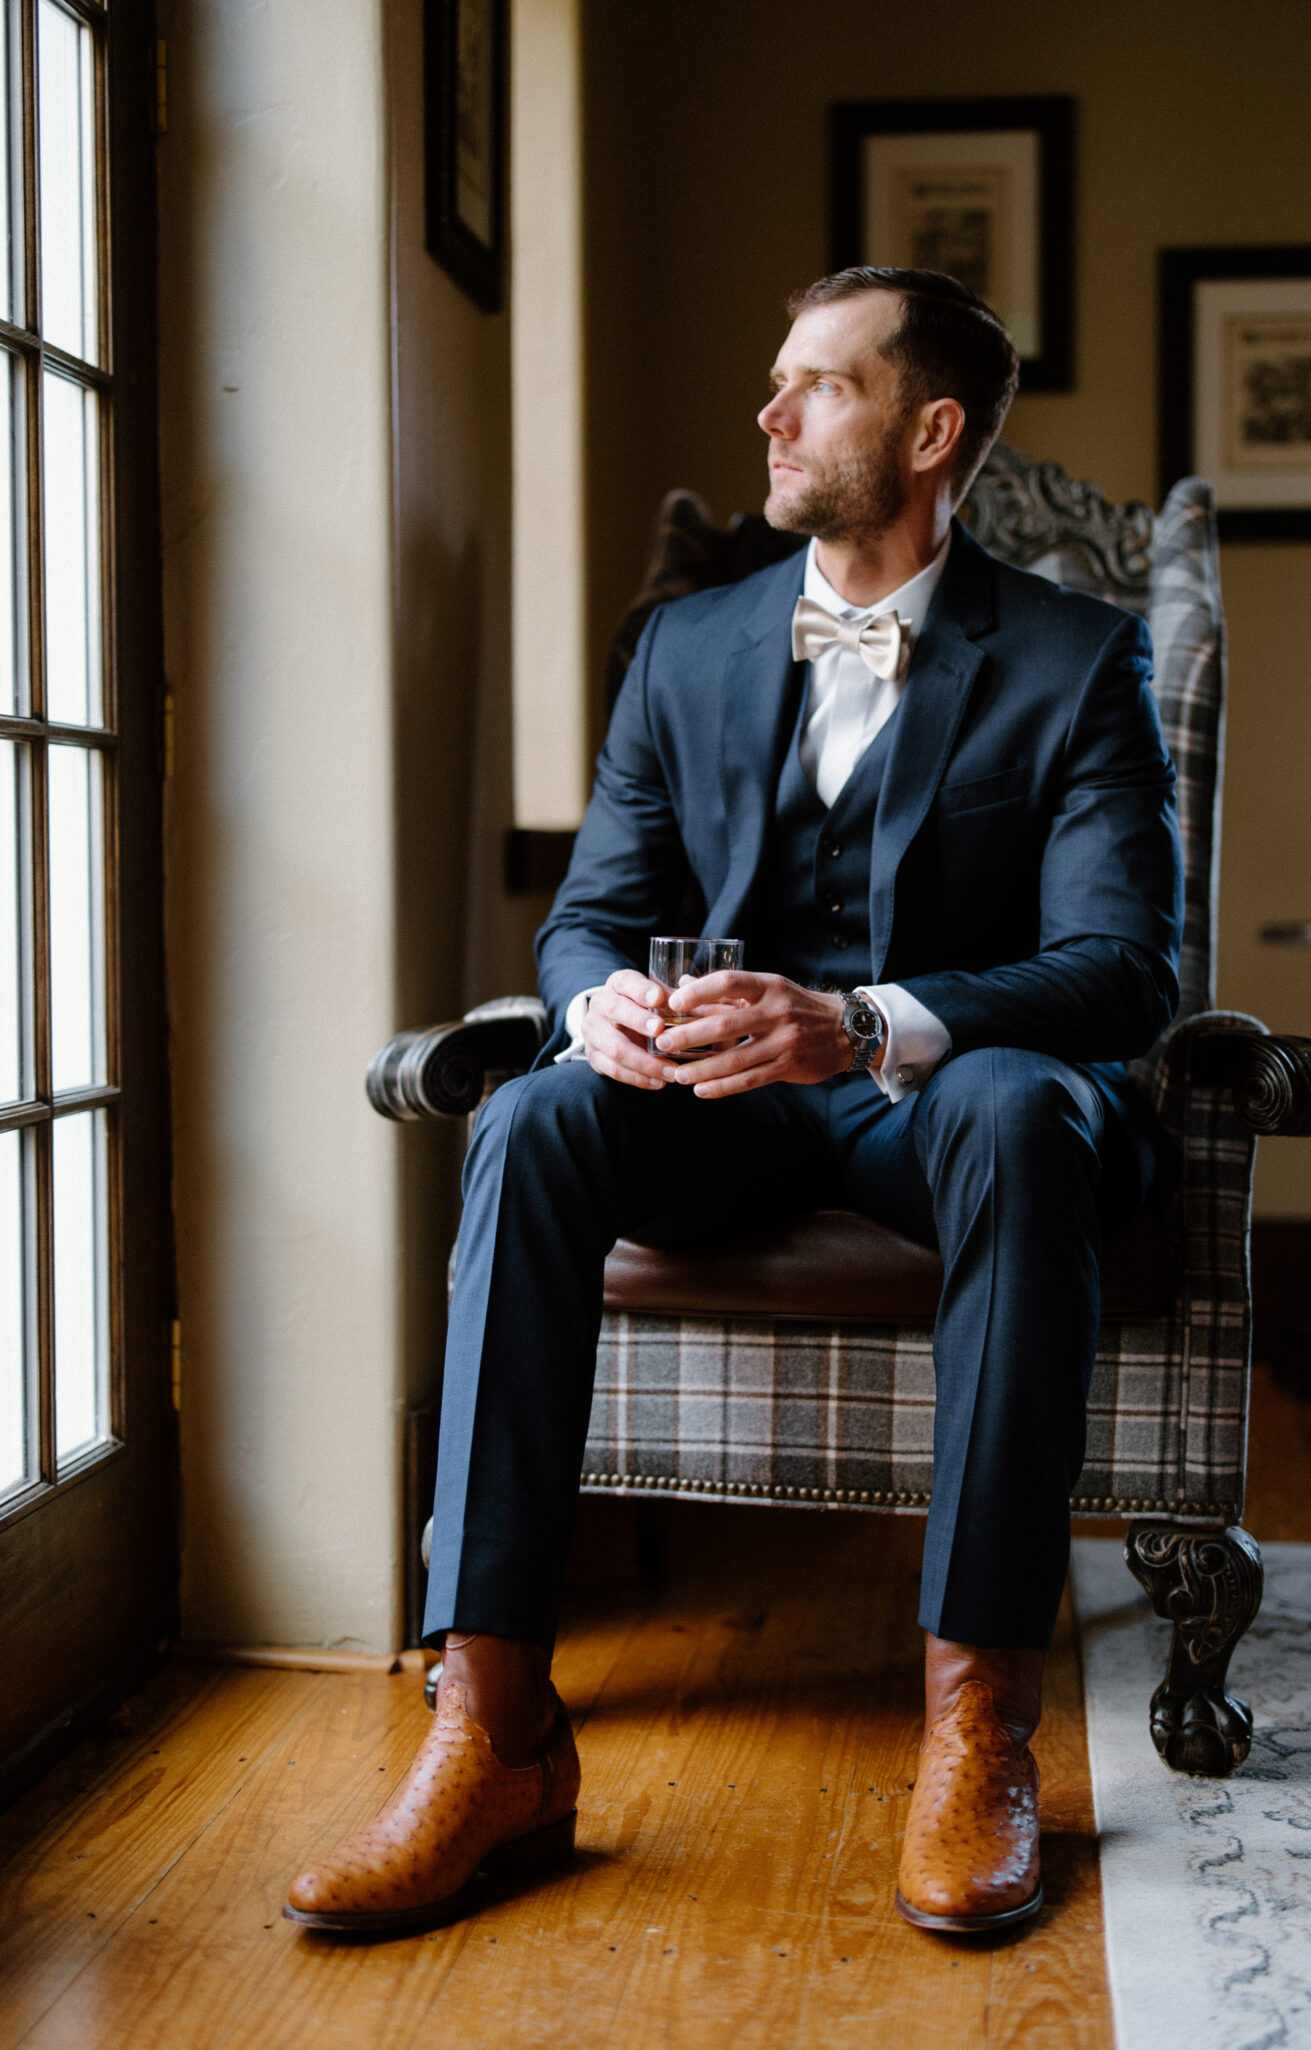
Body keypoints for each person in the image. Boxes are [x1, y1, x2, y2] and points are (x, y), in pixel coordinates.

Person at [284, 267, 1182, 1937]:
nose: (769, 414)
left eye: (819, 386)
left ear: (932, 431)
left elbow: (1125, 969)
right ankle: (493, 1728)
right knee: (532, 1117)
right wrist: (596, 1003)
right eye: (777, 379)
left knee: (1015, 1107)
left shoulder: (1078, 662)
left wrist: (863, 1022)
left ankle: (979, 1723)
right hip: (716, 1103)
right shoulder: (684, 646)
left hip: (941, 1111)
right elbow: (587, 915)